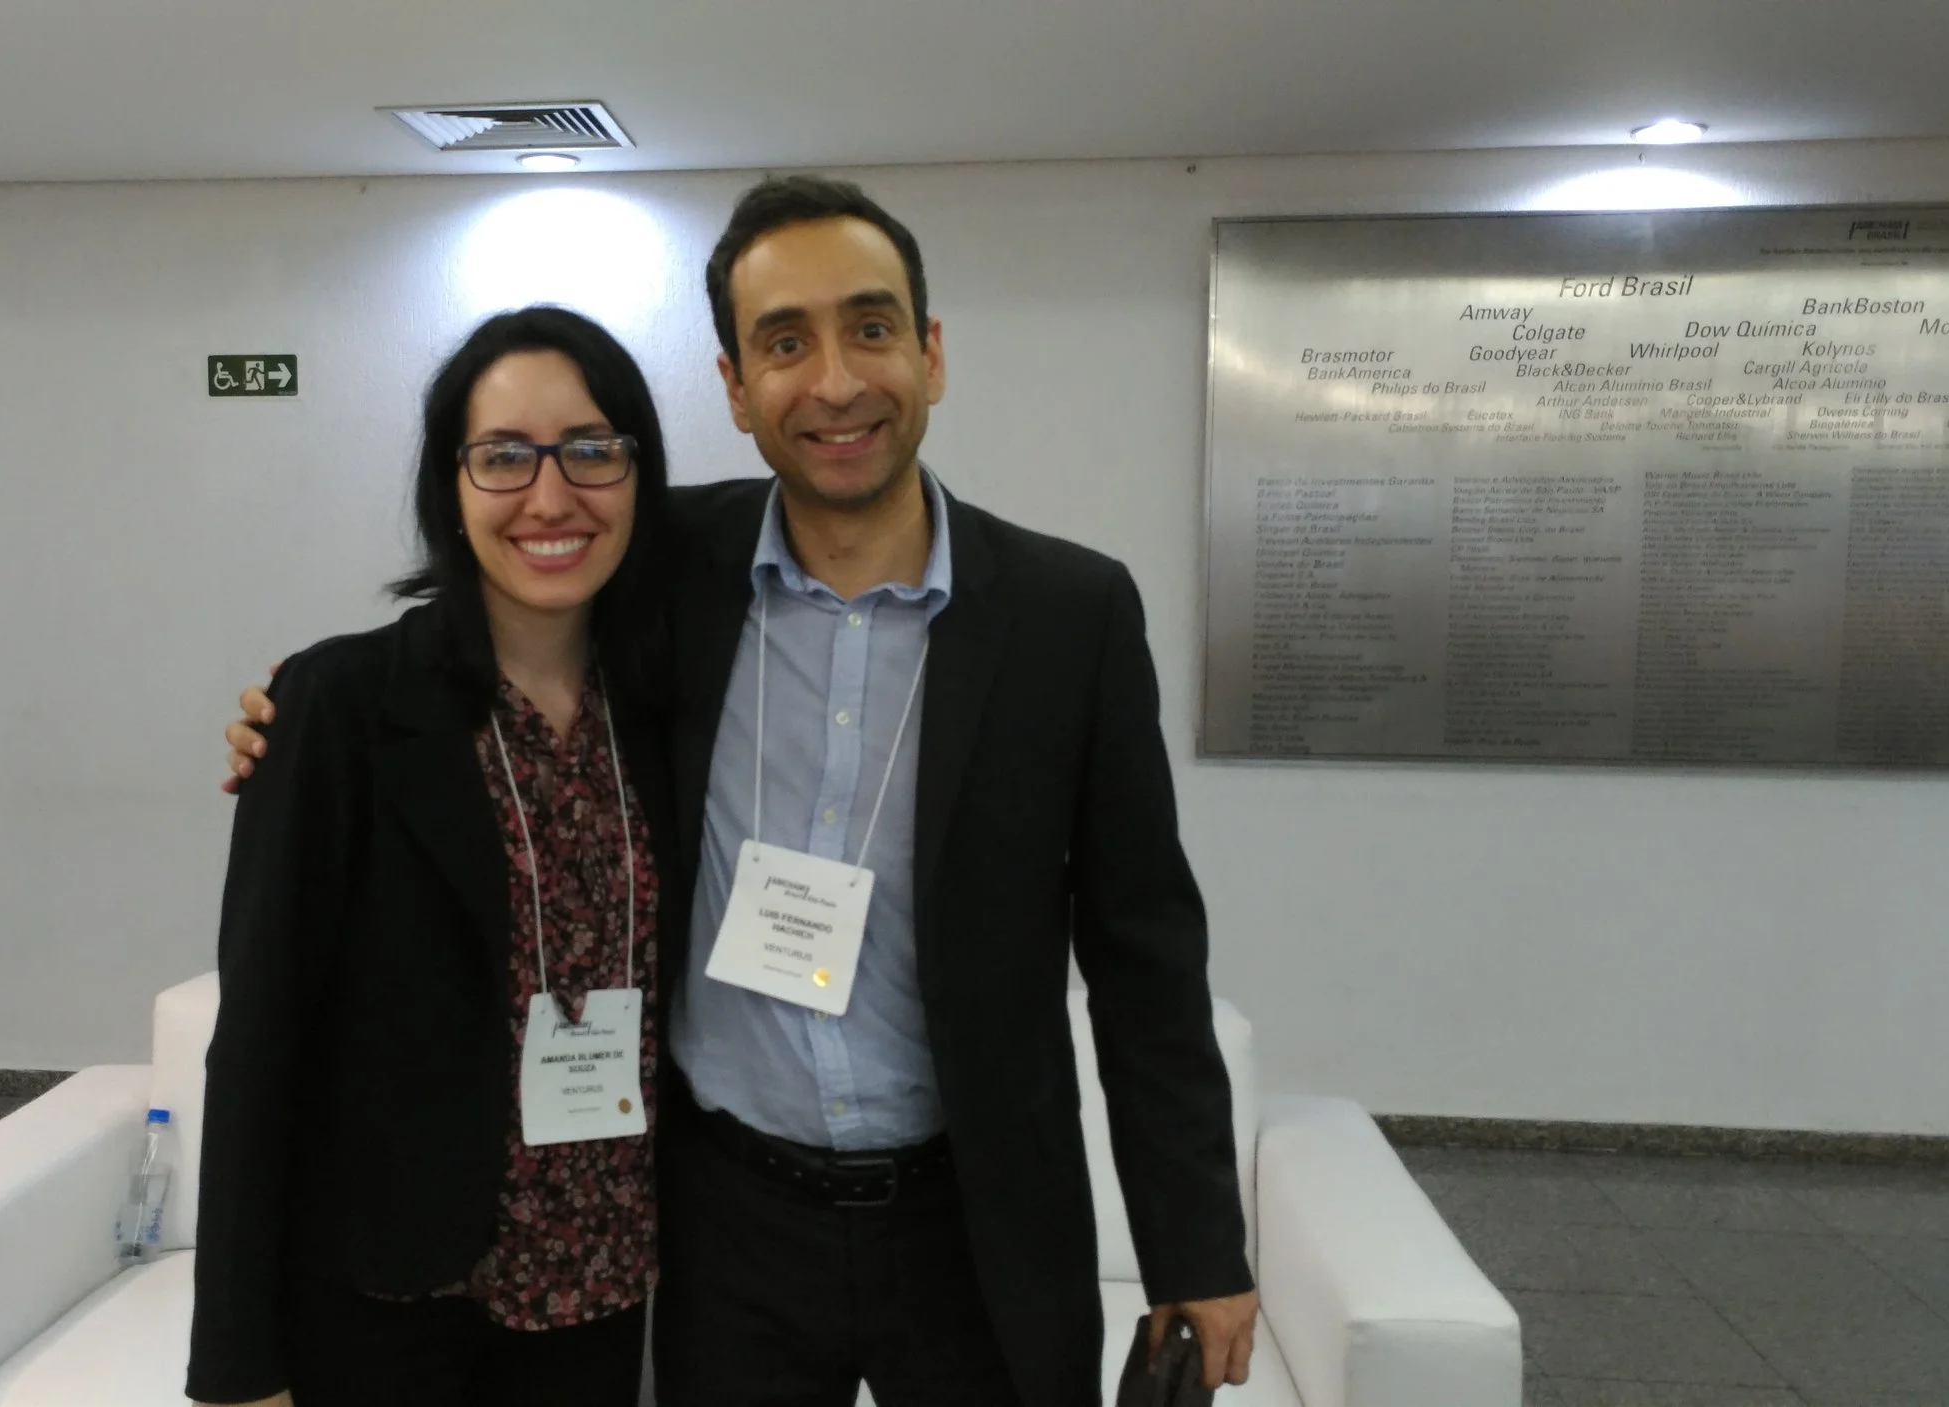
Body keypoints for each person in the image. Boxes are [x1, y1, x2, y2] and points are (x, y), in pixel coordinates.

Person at [223, 176, 1258, 1407]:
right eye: (783, 342)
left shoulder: (1068, 616)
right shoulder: (668, 567)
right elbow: (502, 584)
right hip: (726, 1223)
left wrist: (1194, 1244)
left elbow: (1144, 953)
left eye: (870, 328)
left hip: (974, 1214)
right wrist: (294, 710)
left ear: (930, 354)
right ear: (733, 387)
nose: (831, 381)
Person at [187, 306, 678, 1407]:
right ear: (448, 489)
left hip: (596, 1287)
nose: (550, 497)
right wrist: (234, 1363)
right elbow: (259, 1038)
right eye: (503, 456)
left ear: (639, 474)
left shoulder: (661, 707)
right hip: (387, 1296)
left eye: (592, 450)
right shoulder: (339, 704)